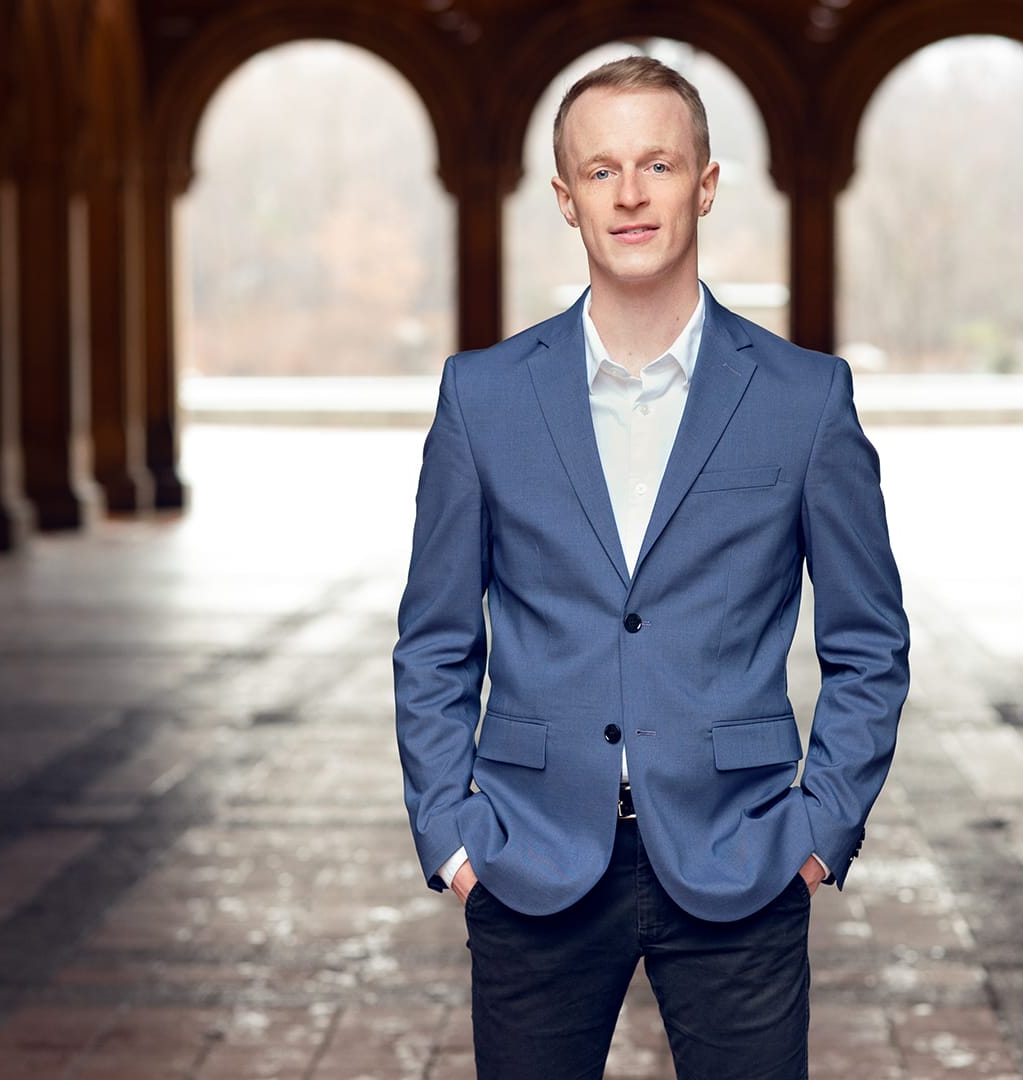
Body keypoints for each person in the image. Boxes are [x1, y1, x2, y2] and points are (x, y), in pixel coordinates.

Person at [393, 55, 909, 1078]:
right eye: (601, 170)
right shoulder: (481, 398)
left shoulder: (806, 401)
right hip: (527, 860)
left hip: (745, 859)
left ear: (705, 184)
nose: (630, 193)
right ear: (565, 199)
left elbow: (869, 644)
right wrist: (454, 841)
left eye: (659, 164)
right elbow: (436, 641)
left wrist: (816, 835)